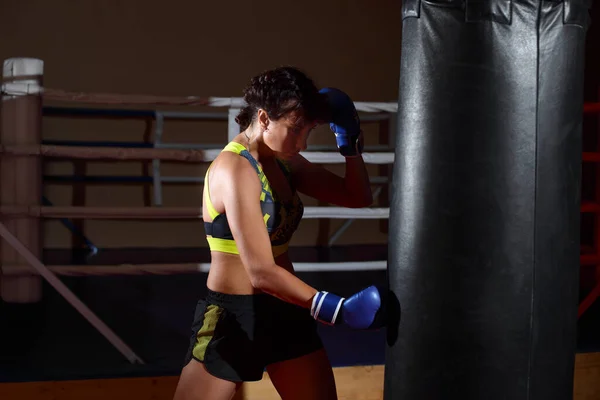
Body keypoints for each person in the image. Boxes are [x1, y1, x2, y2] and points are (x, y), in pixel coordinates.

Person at [173, 66, 385, 400]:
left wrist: (350, 145)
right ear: (264, 118)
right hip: (234, 316)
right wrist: (337, 308)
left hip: (285, 310)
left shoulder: (286, 162)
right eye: (296, 129)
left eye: (309, 131)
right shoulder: (235, 168)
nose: (301, 142)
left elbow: (357, 197)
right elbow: (259, 271)